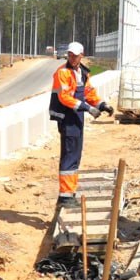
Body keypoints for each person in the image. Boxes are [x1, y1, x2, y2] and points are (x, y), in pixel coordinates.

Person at [47, 41, 113, 208]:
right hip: (67, 118)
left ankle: (70, 192)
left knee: (75, 155)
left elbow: (88, 92)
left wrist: (101, 105)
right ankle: (65, 197)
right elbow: (65, 97)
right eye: (70, 55)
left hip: (77, 118)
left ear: (81, 55)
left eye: (75, 56)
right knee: (70, 155)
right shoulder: (62, 73)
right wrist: (87, 108)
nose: (72, 58)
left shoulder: (82, 73)